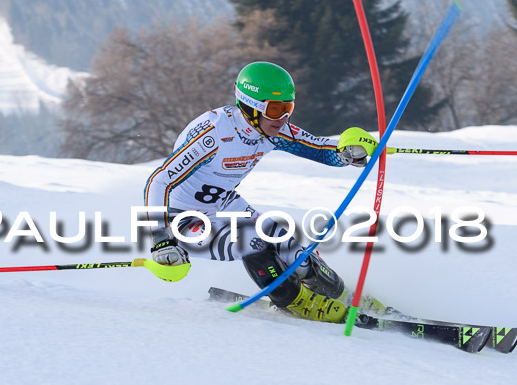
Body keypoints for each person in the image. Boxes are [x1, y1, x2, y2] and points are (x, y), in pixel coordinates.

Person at [143, 61, 370, 323]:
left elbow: (319, 148)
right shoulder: (214, 134)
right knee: (253, 239)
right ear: (250, 106)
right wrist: (160, 239)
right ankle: (293, 301)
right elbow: (160, 181)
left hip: (222, 203)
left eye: (288, 109)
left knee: (285, 241)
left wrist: (348, 154)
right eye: (275, 109)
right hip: (182, 219)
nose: (283, 119)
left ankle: (338, 293)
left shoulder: (272, 130)